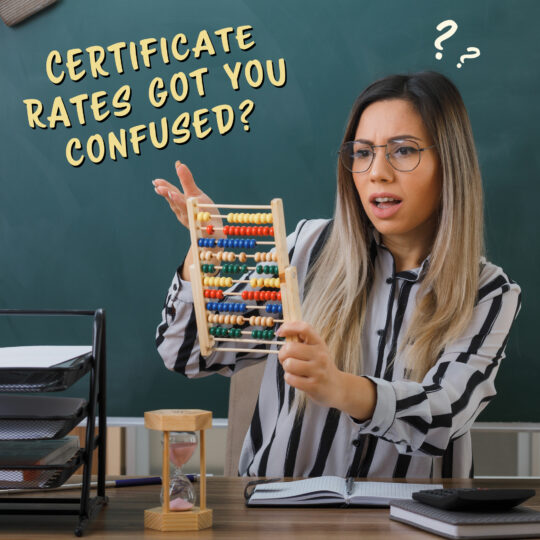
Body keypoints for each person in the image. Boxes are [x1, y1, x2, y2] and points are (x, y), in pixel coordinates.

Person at [153, 71, 521, 479]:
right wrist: (203, 258)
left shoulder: (487, 292)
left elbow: (444, 417)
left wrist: (339, 387)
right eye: (362, 153)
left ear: (448, 162)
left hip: (412, 522)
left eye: (403, 151)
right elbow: (185, 355)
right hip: (279, 517)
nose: (377, 172)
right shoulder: (307, 250)